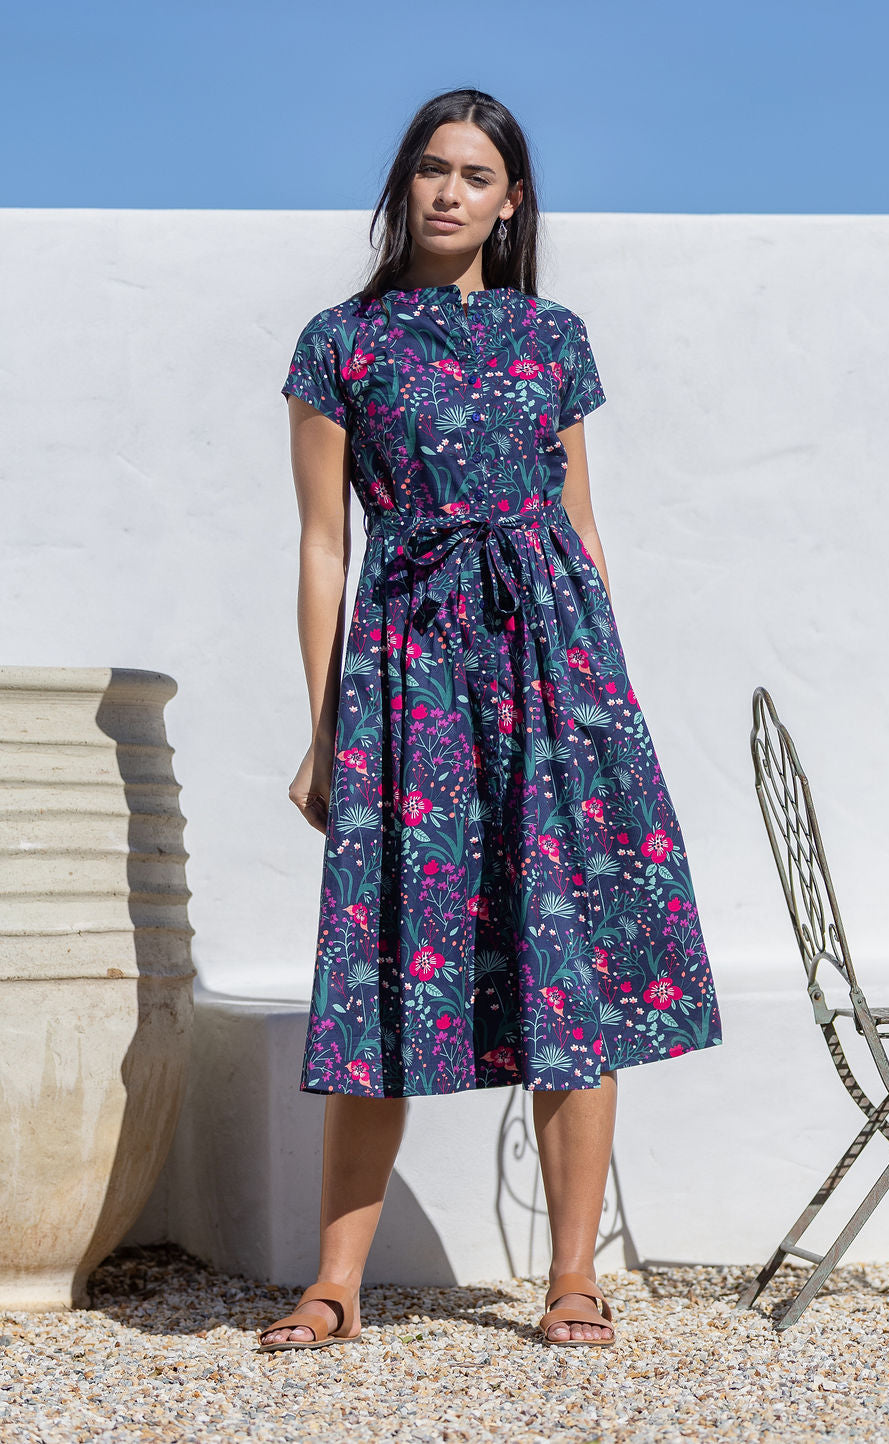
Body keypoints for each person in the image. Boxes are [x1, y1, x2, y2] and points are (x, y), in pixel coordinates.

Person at [258, 87, 722, 1352]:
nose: (449, 191)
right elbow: (321, 545)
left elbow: (581, 525)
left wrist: (605, 704)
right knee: (380, 958)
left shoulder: (552, 337)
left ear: (511, 201)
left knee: (568, 958)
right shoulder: (340, 343)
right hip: (408, 670)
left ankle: (572, 1276)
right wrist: (322, 728)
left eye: (476, 174)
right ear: (403, 185)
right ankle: (335, 1282)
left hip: (554, 669)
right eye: (431, 168)